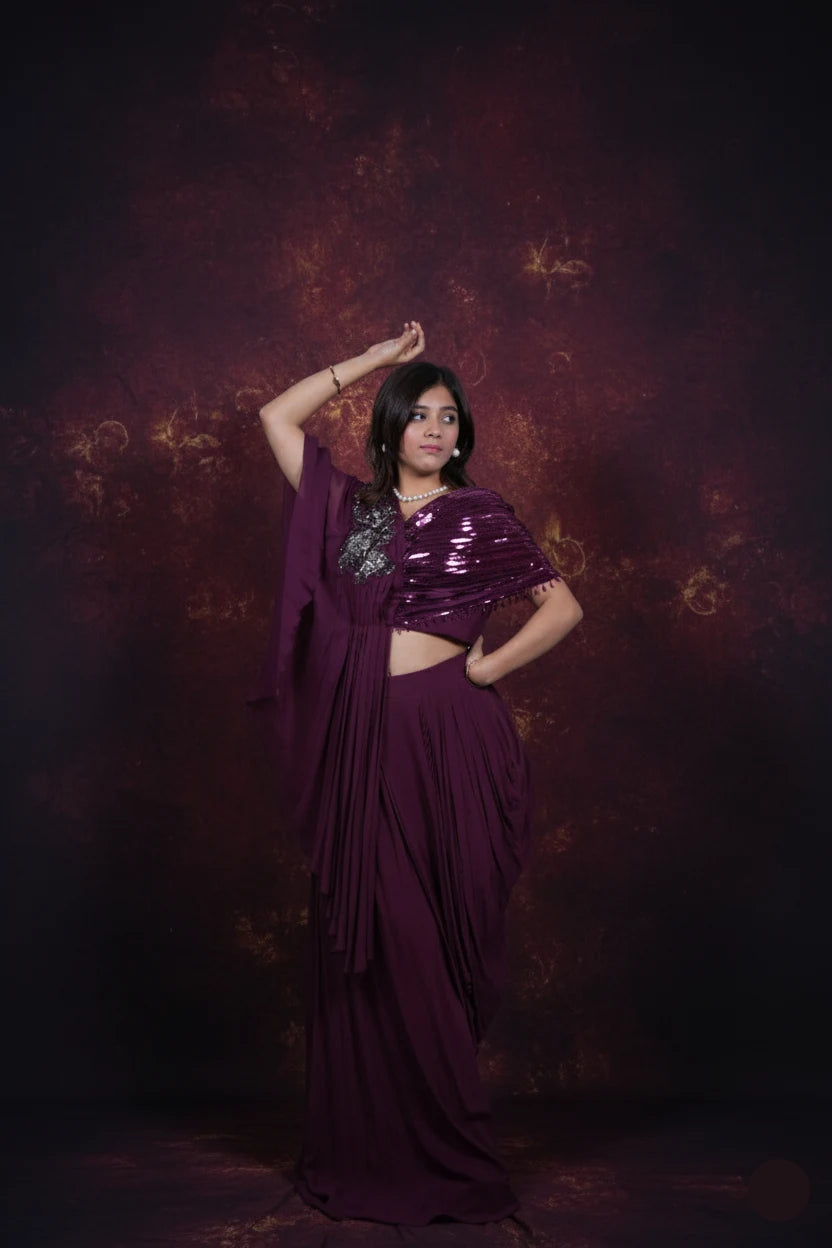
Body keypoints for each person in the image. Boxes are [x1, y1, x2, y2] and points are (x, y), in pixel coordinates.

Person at [252, 321, 583, 1227]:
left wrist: (484, 670)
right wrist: (375, 362)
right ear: (392, 424)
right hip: (362, 737)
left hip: (449, 737)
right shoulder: (352, 510)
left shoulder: (483, 516)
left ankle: (450, 1155)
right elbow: (277, 418)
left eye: (450, 418)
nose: (437, 430)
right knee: (376, 936)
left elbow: (564, 608)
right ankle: (374, 1147)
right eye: (421, 415)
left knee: (435, 939)